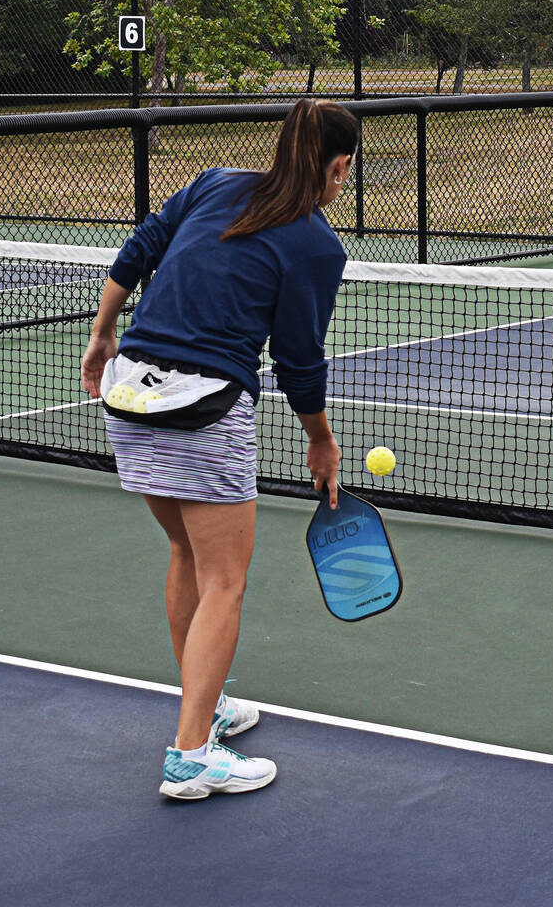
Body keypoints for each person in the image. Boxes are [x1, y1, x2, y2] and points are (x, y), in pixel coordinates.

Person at [80, 98, 356, 799]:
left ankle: (205, 710)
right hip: (202, 410)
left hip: (131, 397)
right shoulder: (317, 244)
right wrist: (321, 442)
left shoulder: (212, 183)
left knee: (186, 557)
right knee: (226, 580)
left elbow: (141, 247)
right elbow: (299, 358)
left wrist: (102, 332)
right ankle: (192, 754)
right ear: (339, 166)